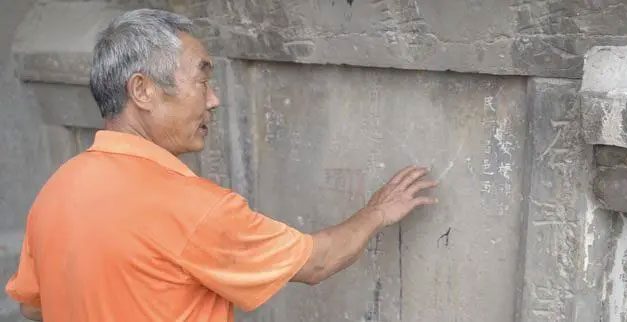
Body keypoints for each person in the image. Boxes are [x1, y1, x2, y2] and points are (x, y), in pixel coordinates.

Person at [5, 9, 439, 322]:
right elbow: (318, 262)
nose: (213, 98)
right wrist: (378, 212)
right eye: (202, 79)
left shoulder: (58, 190)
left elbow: (31, 305)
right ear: (143, 91)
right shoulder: (189, 208)